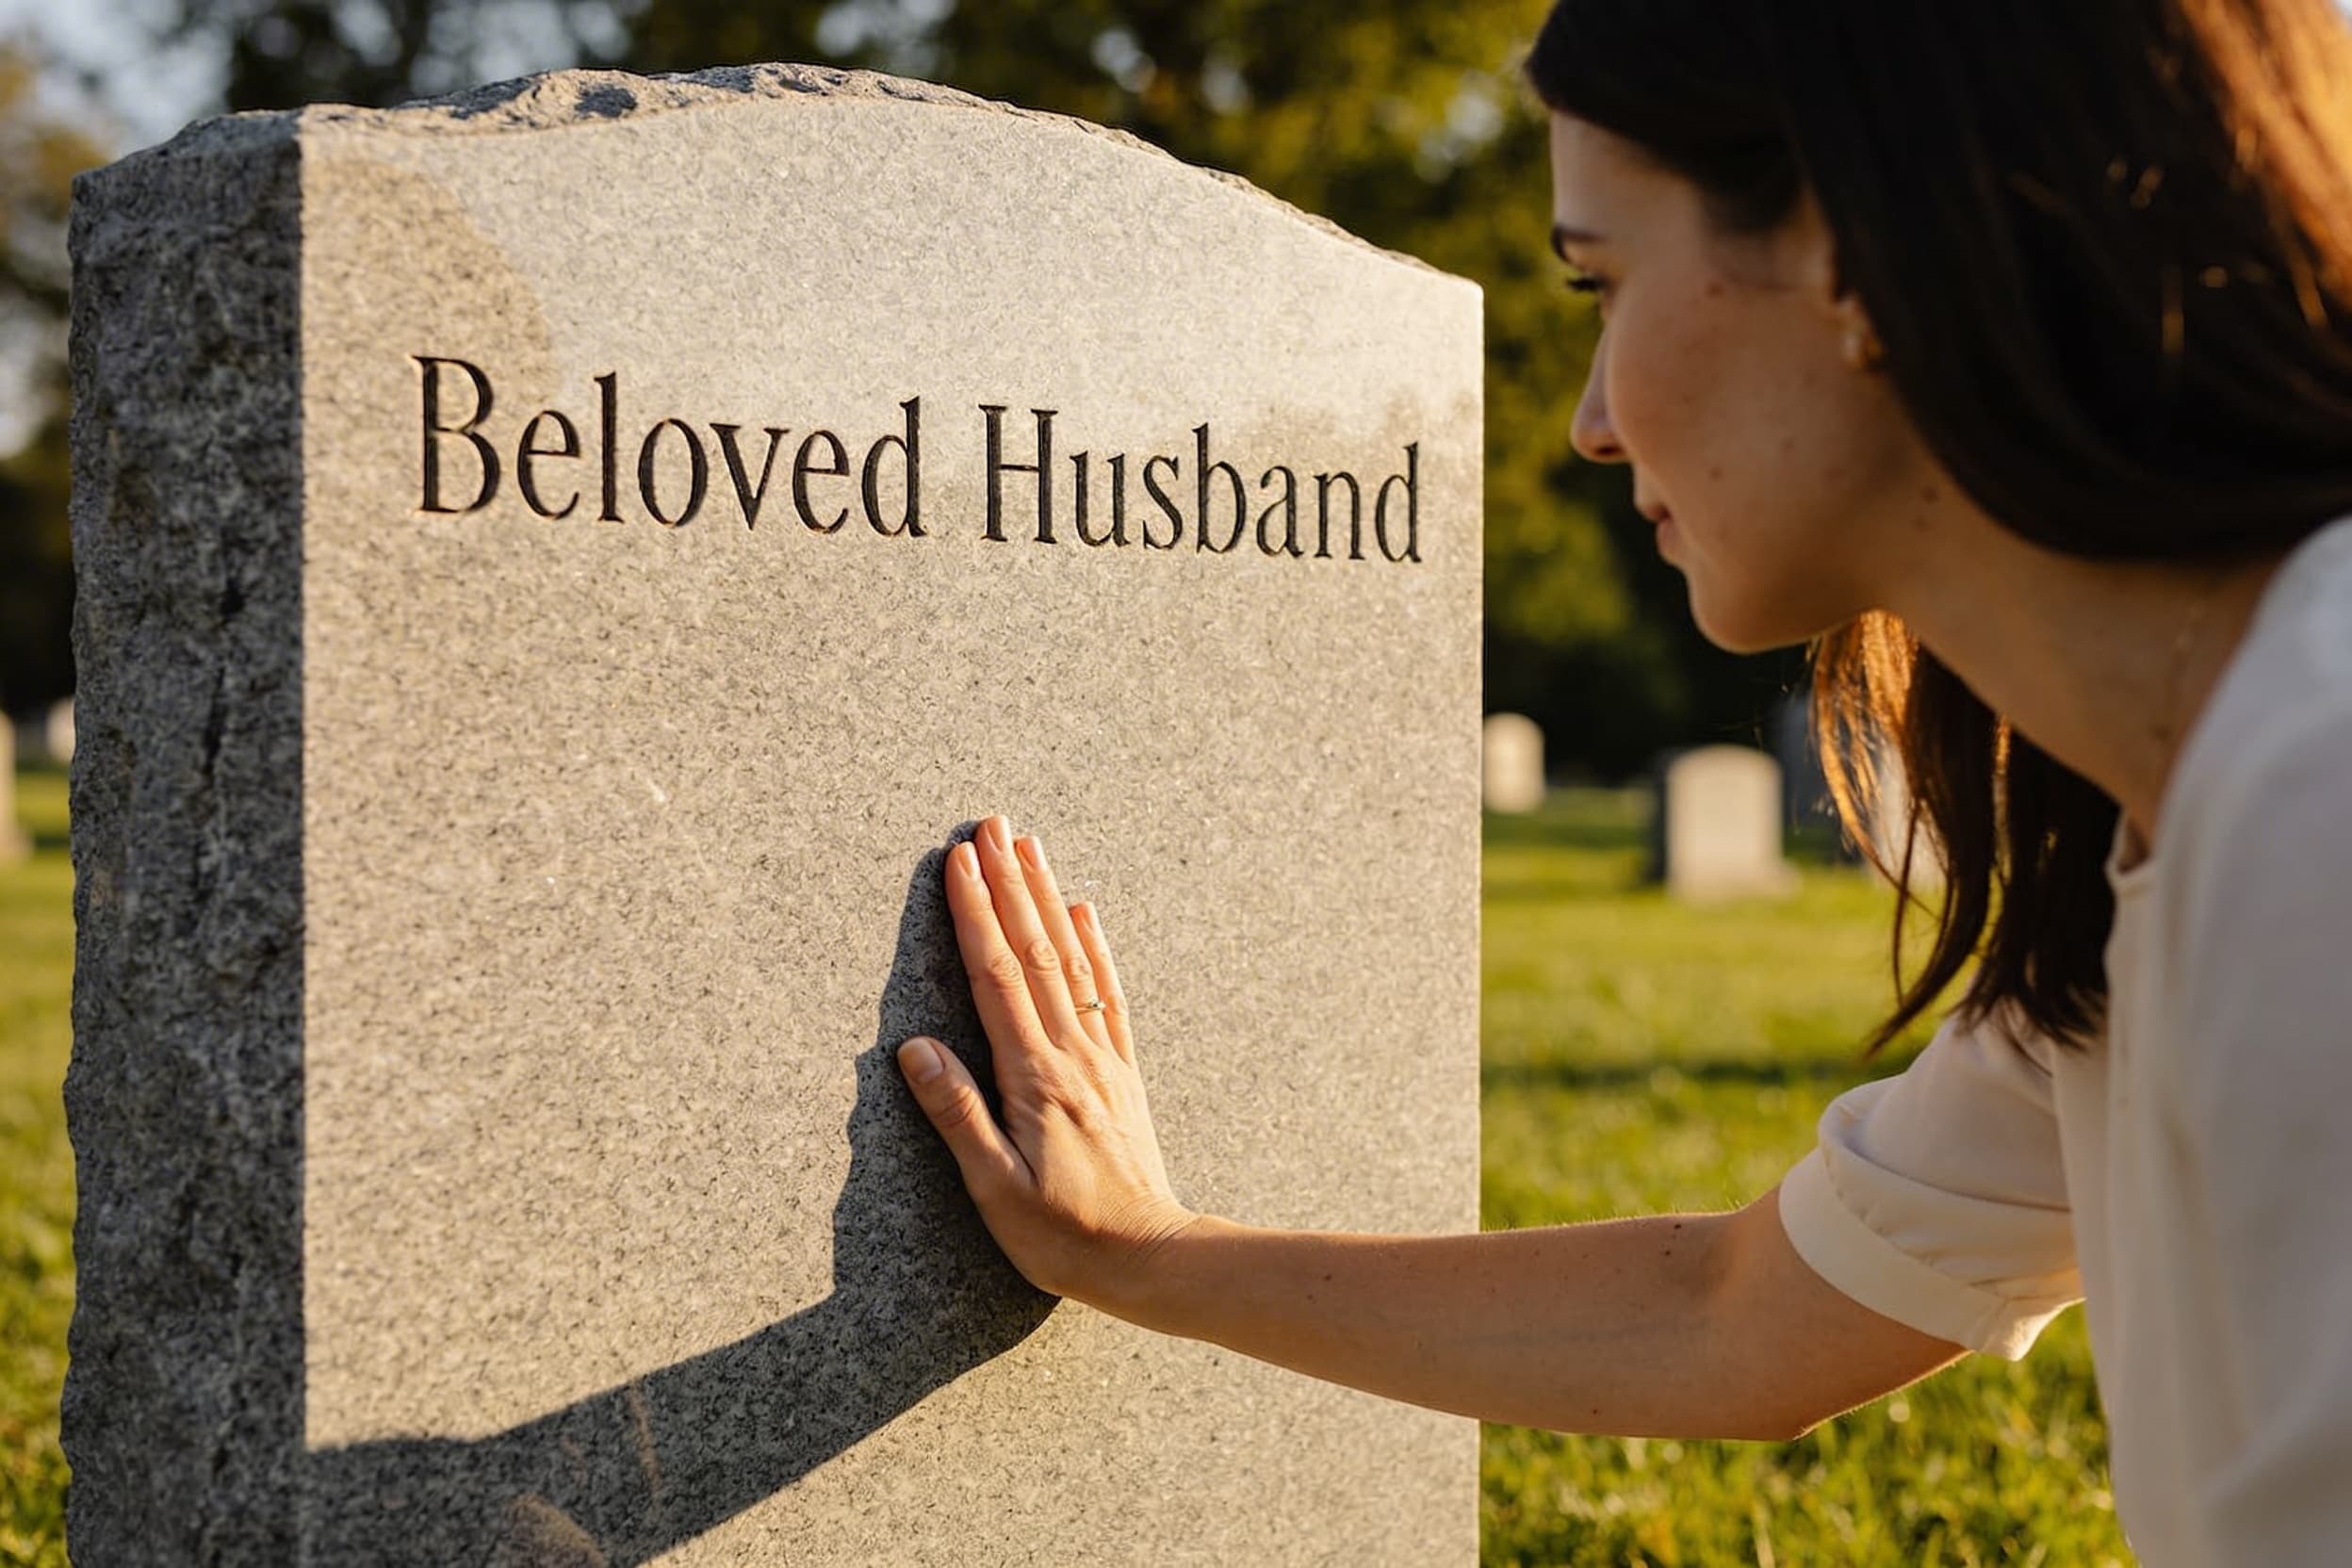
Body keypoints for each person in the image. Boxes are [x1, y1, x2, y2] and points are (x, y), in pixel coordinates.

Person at [893, 3, 2352, 1561]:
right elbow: (1735, 1317)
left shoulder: (2309, 811)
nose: (1591, 422)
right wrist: (1141, 1251)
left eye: (1603, 283)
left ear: (1861, 257)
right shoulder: (2179, 813)